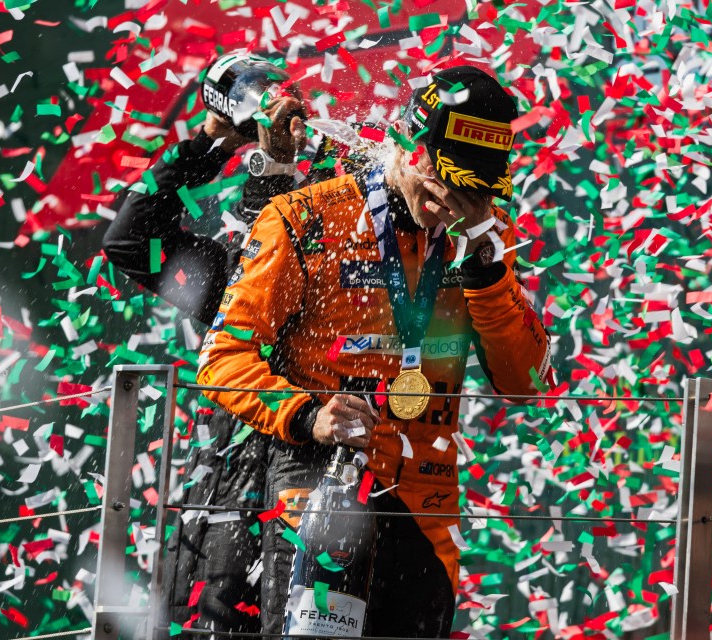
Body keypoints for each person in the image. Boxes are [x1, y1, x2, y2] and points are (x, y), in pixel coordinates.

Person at [197, 65, 553, 637]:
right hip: (318, 483)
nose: (449, 210)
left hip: (427, 505)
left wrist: (487, 277)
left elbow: (529, 384)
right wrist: (308, 414)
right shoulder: (303, 218)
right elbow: (221, 359)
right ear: (408, 149)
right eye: (441, 190)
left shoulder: (482, 239)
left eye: (472, 198)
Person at [103, 54, 308, 635]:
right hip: (225, 470)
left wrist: (282, 168)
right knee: (203, 617)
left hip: (313, 468)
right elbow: (128, 241)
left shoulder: (347, 248)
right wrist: (213, 142)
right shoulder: (226, 278)